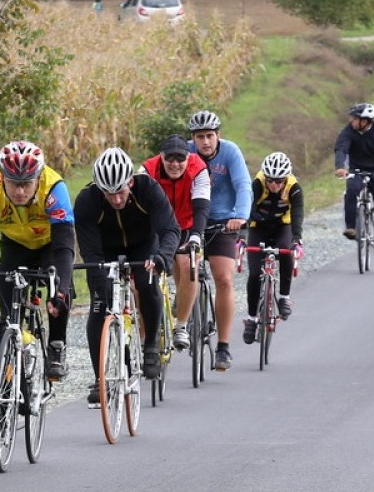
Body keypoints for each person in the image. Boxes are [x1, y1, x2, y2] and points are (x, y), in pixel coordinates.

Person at [0, 140, 76, 446]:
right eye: (13, 184)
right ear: (1, 176)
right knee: (7, 325)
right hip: (10, 246)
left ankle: (57, 342)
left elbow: (65, 245)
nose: (20, 191)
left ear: (38, 178)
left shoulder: (54, 187)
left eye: (26, 184)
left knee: (61, 286)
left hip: (49, 245)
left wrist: (59, 290)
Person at [74, 147, 180, 405]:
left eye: (120, 191)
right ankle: (101, 378)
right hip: (105, 252)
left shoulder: (148, 189)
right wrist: (100, 282)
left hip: (144, 245)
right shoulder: (87, 200)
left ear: (130, 182)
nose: (117, 200)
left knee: (146, 282)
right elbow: (90, 252)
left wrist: (162, 258)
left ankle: (151, 344)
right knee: (100, 305)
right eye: (109, 194)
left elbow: (170, 230)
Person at [188, 110, 252, 371]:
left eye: (210, 136)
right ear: (193, 138)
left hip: (223, 222)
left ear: (218, 136)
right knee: (182, 270)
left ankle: (223, 346)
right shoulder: (186, 155)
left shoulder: (230, 152)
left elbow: (243, 185)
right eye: (200, 137)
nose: (205, 142)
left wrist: (240, 216)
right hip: (192, 222)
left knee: (223, 278)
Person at [140, 134, 210, 351]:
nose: (175, 164)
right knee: (144, 275)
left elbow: (201, 207)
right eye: (170, 159)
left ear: (188, 158)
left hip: (186, 226)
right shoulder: (146, 171)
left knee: (188, 265)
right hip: (156, 228)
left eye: (180, 159)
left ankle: (181, 325)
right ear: (161, 157)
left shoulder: (198, 169)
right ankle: (145, 335)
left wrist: (197, 235)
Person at [242, 152, 304, 344]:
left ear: (285, 179)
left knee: (286, 252)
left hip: (281, 226)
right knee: (253, 274)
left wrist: (297, 240)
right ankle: (252, 319)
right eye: (270, 180)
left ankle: (284, 296)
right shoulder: (258, 184)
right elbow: (246, 209)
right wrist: (242, 239)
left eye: (278, 181)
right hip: (258, 227)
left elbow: (298, 214)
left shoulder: (294, 187)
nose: (274, 185)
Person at [334, 103, 374, 255]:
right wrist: (340, 166)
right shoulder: (349, 130)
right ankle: (351, 227)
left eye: (355, 119)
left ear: (366, 121)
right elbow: (341, 148)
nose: (352, 121)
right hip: (357, 168)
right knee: (351, 191)